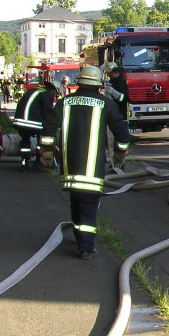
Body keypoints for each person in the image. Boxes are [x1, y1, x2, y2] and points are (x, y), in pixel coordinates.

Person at [40, 65, 130, 260]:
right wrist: (120, 156)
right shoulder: (106, 104)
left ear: (78, 83)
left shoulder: (64, 103)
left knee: (76, 199)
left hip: (69, 165)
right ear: (99, 85)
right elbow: (122, 132)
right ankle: (86, 247)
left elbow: (48, 128)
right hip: (93, 168)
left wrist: (46, 153)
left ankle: (79, 235)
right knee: (89, 204)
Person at [13, 80, 60, 172]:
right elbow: (48, 113)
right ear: (54, 90)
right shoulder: (48, 94)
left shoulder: (34, 90)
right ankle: (39, 163)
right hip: (32, 123)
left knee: (25, 142)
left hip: (19, 121)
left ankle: (24, 164)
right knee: (42, 141)